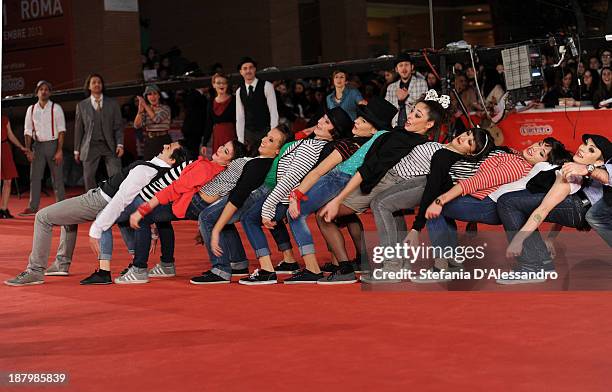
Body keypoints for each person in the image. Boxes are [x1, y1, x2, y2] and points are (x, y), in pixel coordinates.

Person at [4, 142, 188, 286]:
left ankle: (35, 270)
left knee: (42, 217)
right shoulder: (160, 173)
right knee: (67, 215)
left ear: (172, 160)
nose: (164, 146)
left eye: (170, 147)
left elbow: (121, 199)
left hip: (98, 201)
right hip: (98, 198)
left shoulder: (146, 170)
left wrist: (99, 227)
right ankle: (62, 263)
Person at [417, 137, 567, 280]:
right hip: (491, 201)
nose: (534, 148)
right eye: (539, 143)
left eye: (541, 153)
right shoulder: (518, 157)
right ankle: (545, 262)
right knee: (442, 204)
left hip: (488, 204)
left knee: (434, 206)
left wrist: (440, 201)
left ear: (544, 163)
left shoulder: (517, 166)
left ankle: (443, 266)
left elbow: (477, 182)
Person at [285, 97, 397, 284]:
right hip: (349, 183)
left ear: (373, 129)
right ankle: (361, 262)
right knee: (346, 217)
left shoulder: (348, 144)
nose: (356, 121)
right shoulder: (375, 140)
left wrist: (295, 194)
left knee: (297, 215)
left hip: (335, 179)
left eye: (362, 121)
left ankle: (316, 268)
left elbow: (319, 171)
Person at [238, 107, 353, 285]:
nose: (321, 122)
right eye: (322, 118)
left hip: (284, 196)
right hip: (284, 195)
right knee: (251, 218)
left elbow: (290, 178)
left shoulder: (313, 147)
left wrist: (269, 206)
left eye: (327, 122)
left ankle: (272, 270)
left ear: (334, 133)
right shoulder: (313, 142)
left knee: (250, 219)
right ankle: (286, 265)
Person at [367, 128, 493, 282]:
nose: (463, 137)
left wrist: (416, 228)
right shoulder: (450, 154)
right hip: (430, 187)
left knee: (380, 204)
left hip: (427, 188)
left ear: (472, 152)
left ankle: (392, 267)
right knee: (386, 206)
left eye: (470, 142)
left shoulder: (443, 155)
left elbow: (432, 189)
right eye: (467, 133)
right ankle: (401, 264)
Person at [119, 140, 247, 284]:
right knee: (163, 218)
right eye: (223, 146)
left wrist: (142, 210)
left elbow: (174, 189)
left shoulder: (205, 168)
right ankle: (238, 263)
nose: (220, 148)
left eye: (226, 151)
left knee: (144, 218)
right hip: (194, 204)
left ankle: (139, 270)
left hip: (189, 205)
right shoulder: (217, 169)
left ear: (230, 162)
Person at [497, 134, 612, 284]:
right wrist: (550, 238)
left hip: (582, 210)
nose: (582, 149)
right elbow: (556, 205)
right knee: (515, 201)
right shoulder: (572, 169)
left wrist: (518, 240)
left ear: (599, 161)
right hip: (579, 208)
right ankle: (542, 262)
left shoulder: (603, 167)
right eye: (585, 144)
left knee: (508, 202)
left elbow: (545, 208)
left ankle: (531, 268)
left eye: (591, 150)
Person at [190, 126, 292, 284]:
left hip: (245, 200)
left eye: (271, 140)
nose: (264, 140)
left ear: (278, 151)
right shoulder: (261, 162)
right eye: (266, 136)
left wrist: (215, 230)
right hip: (249, 200)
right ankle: (238, 263)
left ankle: (220, 270)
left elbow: (238, 196)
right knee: (222, 219)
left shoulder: (259, 165)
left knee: (207, 217)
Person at [19, 81, 67, 216]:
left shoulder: (56, 108)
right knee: (34, 177)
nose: (44, 91)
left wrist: (59, 150)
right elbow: (27, 131)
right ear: (37, 92)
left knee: (57, 177)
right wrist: (28, 150)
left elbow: (62, 131)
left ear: (50, 92)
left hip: (53, 144)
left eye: (46, 89)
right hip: (37, 146)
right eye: (41, 89)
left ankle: (61, 206)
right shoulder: (31, 109)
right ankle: (33, 206)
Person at [74, 73, 124, 191]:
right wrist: (77, 150)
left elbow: (118, 126)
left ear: (102, 85)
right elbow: (78, 129)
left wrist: (120, 144)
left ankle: (117, 199)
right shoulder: (82, 105)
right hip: (90, 144)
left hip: (109, 144)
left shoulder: (112, 103)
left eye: (99, 82)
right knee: (88, 176)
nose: (97, 84)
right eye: (94, 82)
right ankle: (91, 202)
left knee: (116, 174)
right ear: (89, 86)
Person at [235, 57, 279, 152]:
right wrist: (240, 140)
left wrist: (272, 134)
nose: (248, 71)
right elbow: (240, 116)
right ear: (241, 72)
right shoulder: (239, 91)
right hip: (249, 133)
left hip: (265, 130)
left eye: (251, 67)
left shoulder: (267, 86)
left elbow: (273, 112)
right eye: (245, 68)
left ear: (255, 69)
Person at [385, 52, 428, 128]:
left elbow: (424, 106)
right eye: (400, 65)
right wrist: (399, 101)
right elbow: (387, 110)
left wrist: (405, 98)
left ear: (412, 67)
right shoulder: (391, 87)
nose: (404, 68)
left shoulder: (421, 83)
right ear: (396, 69)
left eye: (406, 65)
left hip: (415, 126)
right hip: (395, 126)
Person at [134, 84, 173, 160]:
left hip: (164, 140)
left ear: (159, 95)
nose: (152, 97)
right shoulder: (145, 110)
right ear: (147, 97)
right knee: (150, 167)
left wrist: (144, 105)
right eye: (149, 94)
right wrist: (140, 112)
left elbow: (157, 119)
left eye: (155, 93)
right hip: (150, 141)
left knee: (166, 165)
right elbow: (137, 126)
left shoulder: (165, 108)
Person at [1, 115, 27, 219]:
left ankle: (3, 209)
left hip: (4, 148)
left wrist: (21, 147)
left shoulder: (4, 118)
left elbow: (10, 135)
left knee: (8, 180)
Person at [203, 73, 236, 152]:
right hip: (217, 136)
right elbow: (209, 123)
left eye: (224, 83)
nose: (221, 85)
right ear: (213, 85)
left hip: (231, 135)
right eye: (218, 83)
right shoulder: (210, 102)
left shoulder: (234, 100)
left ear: (227, 85)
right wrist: (204, 143)